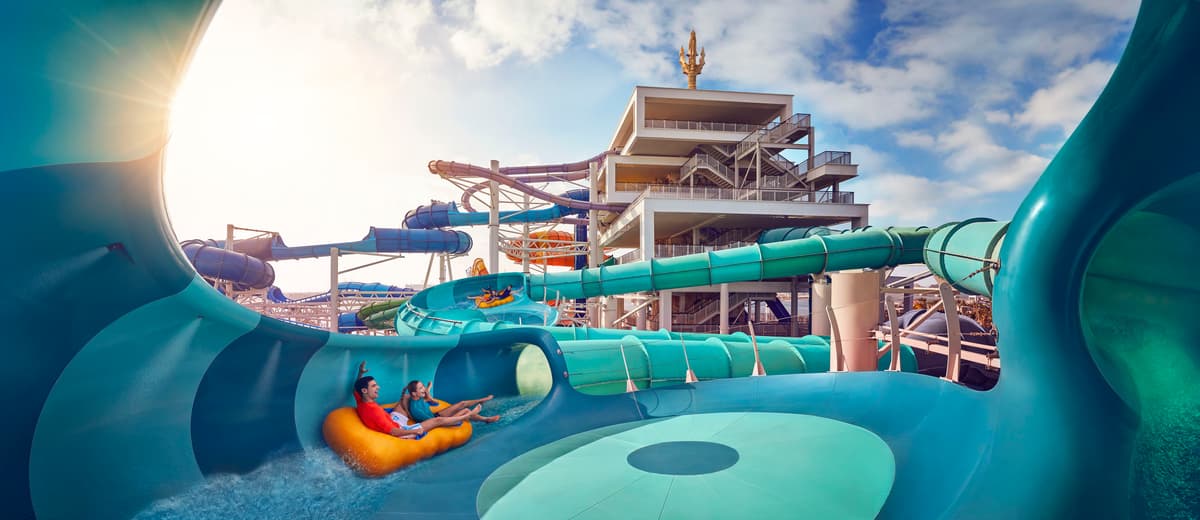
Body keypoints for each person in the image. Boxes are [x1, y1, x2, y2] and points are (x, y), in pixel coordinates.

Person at [352, 362, 476, 438]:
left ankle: (411, 403)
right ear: (364, 391)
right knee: (437, 420)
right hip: (402, 429)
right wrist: (416, 431)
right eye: (374, 386)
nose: (378, 387)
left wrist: (360, 373)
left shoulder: (362, 401)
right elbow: (394, 432)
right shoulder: (374, 412)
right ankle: (466, 415)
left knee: (403, 401)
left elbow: (356, 387)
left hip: (392, 419)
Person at [403, 380, 500, 424]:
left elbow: (427, 396)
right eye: (421, 388)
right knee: (465, 410)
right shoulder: (416, 409)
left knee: (462, 403)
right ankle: (486, 419)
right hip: (437, 422)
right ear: (414, 393)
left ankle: (482, 400)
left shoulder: (417, 397)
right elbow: (434, 422)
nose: (423, 389)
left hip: (436, 415)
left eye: (423, 386)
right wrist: (448, 417)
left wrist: (428, 387)